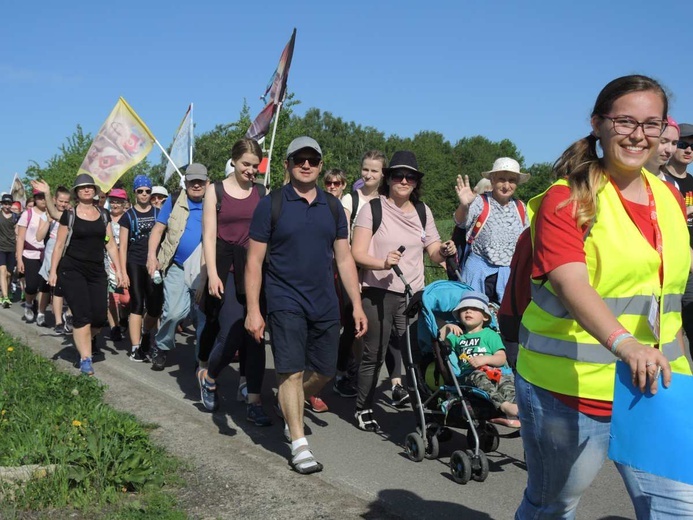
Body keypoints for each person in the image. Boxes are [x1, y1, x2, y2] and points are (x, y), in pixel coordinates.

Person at [515, 74, 693, 519]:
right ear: (598, 124)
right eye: (625, 121)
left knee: (677, 509)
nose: (639, 135)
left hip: (655, 388)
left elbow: (666, 298)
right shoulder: (567, 197)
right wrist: (624, 343)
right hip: (568, 389)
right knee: (553, 506)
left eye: (652, 124)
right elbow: (570, 281)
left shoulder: (668, 196)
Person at [245, 136, 367, 474]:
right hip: (284, 299)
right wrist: (254, 310)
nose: (307, 164)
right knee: (291, 369)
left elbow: (343, 259)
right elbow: (254, 262)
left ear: (320, 164)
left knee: (325, 370)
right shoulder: (271, 204)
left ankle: (291, 403)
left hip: (325, 301)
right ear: (287, 164)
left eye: (313, 159)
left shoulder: (332, 207)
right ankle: (299, 445)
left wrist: (355, 304)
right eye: (299, 159)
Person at [351, 150, 454, 432]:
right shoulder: (372, 209)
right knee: (375, 353)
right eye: (398, 175)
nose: (404, 181)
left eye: (411, 176)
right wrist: (382, 263)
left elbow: (432, 251)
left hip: (413, 294)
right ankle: (364, 407)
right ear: (389, 178)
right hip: (378, 291)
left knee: (416, 355)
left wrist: (444, 250)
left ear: (417, 181)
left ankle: (424, 409)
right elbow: (356, 253)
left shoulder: (423, 211)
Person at [198, 138, 271, 425]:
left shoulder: (263, 192)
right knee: (231, 329)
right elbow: (208, 235)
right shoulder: (214, 190)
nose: (251, 171)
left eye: (256, 166)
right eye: (246, 165)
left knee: (255, 334)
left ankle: (254, 399)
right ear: (234, 161)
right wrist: (213, 274)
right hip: (225, 267)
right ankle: (210, 376)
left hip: (254, 268)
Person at [49, 174, 123, 376]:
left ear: (95, 190)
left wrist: (120, 270)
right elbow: (58, 246)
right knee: (82, 315)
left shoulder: (103, 214)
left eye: (90, 187)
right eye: (82, 188)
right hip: (72, 269)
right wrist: (53, 272)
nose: (87, 190)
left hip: (97, 270)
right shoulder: (70, 215)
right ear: (76, 192)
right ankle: (85, 358)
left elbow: (110, 244)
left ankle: (82, 339)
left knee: (98, 318)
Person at [147, 164, 207, 370]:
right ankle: (161, 346)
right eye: (193, 181)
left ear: (207, 183)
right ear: (186, 183)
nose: (197, 185)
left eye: (201, 181)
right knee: (173, 312)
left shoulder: (214, 203)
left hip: (203, 268)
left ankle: (202, 360)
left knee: (202, 316)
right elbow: (158, 229)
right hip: (177, 265)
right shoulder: (173, 201)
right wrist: (151, 256)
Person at [453, 157, 530, 304]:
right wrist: (464, 206)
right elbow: (460, 222)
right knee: (474, 319)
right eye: (501, 179)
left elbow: (525, 242)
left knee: (505, 322)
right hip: (478, 272)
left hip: (508, 275)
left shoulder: (520, 207)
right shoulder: (480, 202)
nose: (506, 185)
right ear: (493, 180)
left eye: (512, 180)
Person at [437, 291, 519, 427]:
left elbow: (501, 358)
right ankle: (504, 407)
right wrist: (447, 327)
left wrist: (485, 359)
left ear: (485, 316)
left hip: (497, 371)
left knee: (508, 383)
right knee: (479, 377)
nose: (468, 311)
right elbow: (438, 339)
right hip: (470, 374)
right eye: (464, 309)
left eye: (474, 309)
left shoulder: (490, 335)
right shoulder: (457, 336)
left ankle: (512, 412)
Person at [119, 175, 163, 361]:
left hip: (154, 264)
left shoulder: (159, 213)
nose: (144, 194)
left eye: (147, 191)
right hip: (134, 262)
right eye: (140, 191)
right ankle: (136, 347)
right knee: (137, 303)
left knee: (155, 307)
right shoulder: (127, 216)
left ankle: (146, 334)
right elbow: (122, 246)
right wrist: (122, 272)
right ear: (135, 193)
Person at [662, 122, 693, 350]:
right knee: (668, 331)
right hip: (671, 265)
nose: (688, 150)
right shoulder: (659, 180)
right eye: (682, 144)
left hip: (690, 265)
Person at [31, 182, 71, 334]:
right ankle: (42, 312)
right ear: (54, 200)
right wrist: (48, 221)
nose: (63, 204)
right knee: (47, 285)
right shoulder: (46, 215)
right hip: (51, 251)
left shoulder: (70, 214)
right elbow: (39, 237)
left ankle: (64, 317)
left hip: (66, 251)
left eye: (66, 202)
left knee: (62, 287)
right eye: (60, 201)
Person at [16, 187, 49, 324]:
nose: (42, 199)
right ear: (35, 199)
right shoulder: (27, 214)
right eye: (39, 197)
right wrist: (19, 259)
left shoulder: (51, 213)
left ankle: (41, 313)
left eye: (44, 196)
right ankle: (29, 303)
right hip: (30, 254)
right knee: (31, 286)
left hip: (47, 254)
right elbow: (21, 238)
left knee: (44, 286)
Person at [105, 188, 129, 341]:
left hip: (125, 260)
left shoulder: (128, 218)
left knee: (126, 299)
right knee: (112, 297)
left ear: (124, 203)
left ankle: (124, 317)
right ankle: (114, 327)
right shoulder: (104, 218)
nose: (115, 204)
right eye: (113, 201)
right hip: (107, 260)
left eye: (119, 202)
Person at [644, 116, 680, 186]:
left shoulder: (672, 185)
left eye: (674, 143)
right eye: (663, 141)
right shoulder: (624, 178)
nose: (669, 150)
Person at [0, 194, 18, 307]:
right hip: (0, 247)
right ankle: (5, 297)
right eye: (5, 203)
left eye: (9, 204)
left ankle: (4, 292)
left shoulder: (16, 217)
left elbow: (18, 232)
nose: (7, 206)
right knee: (2, 271)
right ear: (2, 204)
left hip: (12, 247)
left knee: (8, 274)